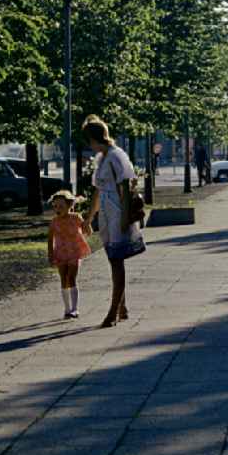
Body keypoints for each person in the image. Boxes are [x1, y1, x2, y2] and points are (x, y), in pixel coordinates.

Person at [81, 115, 146, 328]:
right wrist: (89, 218)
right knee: (113, 258)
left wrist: (124, 218)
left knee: (117, 261)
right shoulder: (102, 158)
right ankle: (122, 307)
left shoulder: (116, 157)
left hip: (118, 211)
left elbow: (125, 189)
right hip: (107, 214)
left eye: (88, 139)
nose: (88, 145)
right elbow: (98, 191)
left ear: (94, 138)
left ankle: (113, 311)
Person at [47, 190, 92, 319]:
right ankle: (67, 309)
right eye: (55, 206)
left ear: (69, 206)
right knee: (63, 279)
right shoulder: (54, 222)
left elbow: (88, 232)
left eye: (61, 206)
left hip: (74, 252)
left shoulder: (76, 217)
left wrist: (87, 225)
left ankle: (75, 309)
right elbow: (50, 239)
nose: (57, 209)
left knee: (71, 278)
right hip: (60, 253)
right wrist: (50, 254)